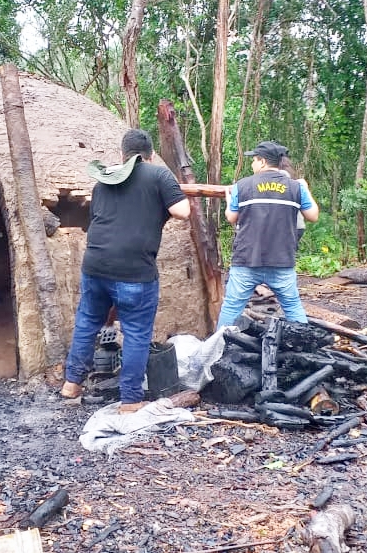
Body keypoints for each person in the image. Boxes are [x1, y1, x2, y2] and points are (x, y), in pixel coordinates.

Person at [60, 129, 191, 414]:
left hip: (95, 265)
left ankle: (71, 384)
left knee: (86, 323)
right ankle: (131, 400)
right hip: (134, 272)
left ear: (122, 154)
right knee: (135, 333)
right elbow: (183, 211)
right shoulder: (158, 175)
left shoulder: (103, 180)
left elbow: (98, 217)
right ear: (150, 155)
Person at [216, 140, 319, 329]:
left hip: (247, 259)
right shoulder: (295, 187)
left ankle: (218, 349)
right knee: (292, 307)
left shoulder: (243, 185)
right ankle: (304, 348)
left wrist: (229, 201)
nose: (252, 164)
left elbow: (231, 217)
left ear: (263, 162)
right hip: (282, 261)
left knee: (232, 307)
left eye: (254, 160)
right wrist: (305, 188)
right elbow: (313, 215)